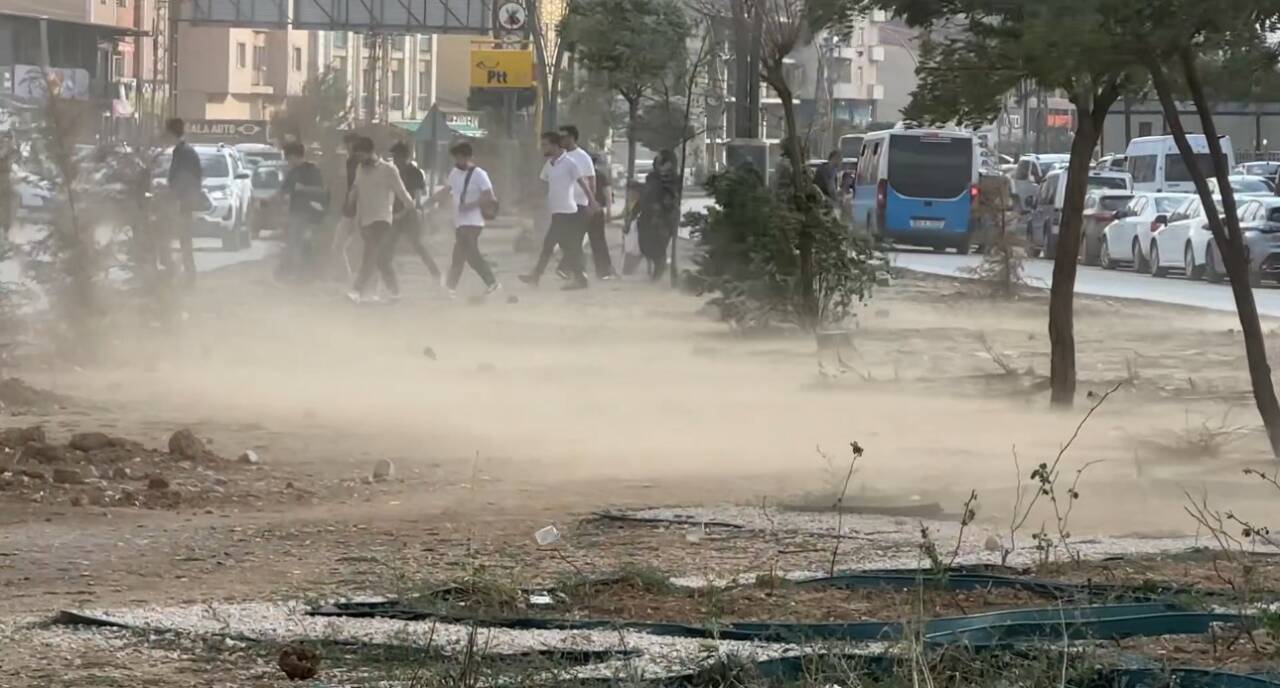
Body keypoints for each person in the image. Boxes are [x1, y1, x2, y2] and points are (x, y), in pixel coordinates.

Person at [520, 131, 596, 290]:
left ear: (555, 145)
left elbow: (583, 184)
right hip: (557, 212)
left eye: (545, 144)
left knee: (551, 246)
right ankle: (580, 278)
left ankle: (536, 277)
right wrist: (529, 200)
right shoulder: (549, 164)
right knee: (568, 247)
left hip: (568, 212)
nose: (543, 148)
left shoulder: (570, 163)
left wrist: (592, 202)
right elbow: (542, 184)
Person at [346, 136, 415, 303]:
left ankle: (356, 290)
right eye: (357, 156)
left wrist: (410, 207)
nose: (359, 159)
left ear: (371, 152)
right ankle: (395, 292)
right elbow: (355, 188)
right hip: (366, 219)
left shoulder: (388, 170)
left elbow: (401, 191)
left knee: (369, 254)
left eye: (362, 155)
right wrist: (350, 204)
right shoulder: (360, 169)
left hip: (382, 219)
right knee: (381, 259)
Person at [427, 141, 500, 297]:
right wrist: (431, 200)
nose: (459, 161)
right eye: (457, 158)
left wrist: (470, 205)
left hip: (474, 221)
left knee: (462, 254)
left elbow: (490, 197)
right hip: (460, 221)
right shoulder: (454, 172)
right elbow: (448, 189)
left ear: (469, 157)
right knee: (466, 255)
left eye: (462, 158)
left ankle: (452, 288)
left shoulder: (480, 174)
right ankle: (490, 283)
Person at [559, 125, 614, 279]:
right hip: (571, 205)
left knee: (593, 239)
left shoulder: (583, 158)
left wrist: (592, 204)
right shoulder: (561, 157)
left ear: (572, 137)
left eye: (563, 136)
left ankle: (602, 271)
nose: (560, 139)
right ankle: (573, 269)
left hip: (586, 206)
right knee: (572, 239)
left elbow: (594, 184)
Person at [274, 141, 328, 282]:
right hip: (295, 213)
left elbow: (322, 191)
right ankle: (291, 274)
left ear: (294, 156)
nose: (287, 162)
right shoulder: (292, 172)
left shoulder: (312, 170)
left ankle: (304, 275)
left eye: (288, 158)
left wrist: (303, 188)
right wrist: (268, 201)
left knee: (302, 243)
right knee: (293, 243)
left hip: (310, 214)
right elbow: (283, 190)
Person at [389, 141, 442, 284]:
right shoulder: (394, 171)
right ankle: (382, 276)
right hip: (395, 213)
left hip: (409, 215)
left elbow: (416, 199)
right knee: (388, 246)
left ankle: (436, 273)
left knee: (418, 245)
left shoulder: (415, 173)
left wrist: (403, 213)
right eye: (394, 157)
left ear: (404, 157)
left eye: (396, 157)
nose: (394, 160)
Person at [164, 117, 202, 286]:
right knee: (183, 241)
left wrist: (177, 198)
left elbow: (187, 180)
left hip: (183, 203)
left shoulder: (184, 152)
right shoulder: (182, 151)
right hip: (183, 202)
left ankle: (189, 278)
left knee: (184, 241)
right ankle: (186, 276)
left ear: (171, 133)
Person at [635, 149, 680, 281]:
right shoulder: (652, 178)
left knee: (659, 244)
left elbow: (673, 198)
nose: (660, 165)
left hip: (664, 218)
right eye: (658, 162)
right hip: (647, 216)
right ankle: (659, 265)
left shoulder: (673, 180)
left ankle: (660, 268)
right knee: (645, 245)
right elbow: (645, 196)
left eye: (663, 162)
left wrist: (661, 208)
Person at [332, 132, 361, 278]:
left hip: (362, 209)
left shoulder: (362, 163)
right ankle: (348, 276)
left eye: (353, 143)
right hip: (349, 208)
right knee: (338, 245)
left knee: (361, 246)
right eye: (348, 144)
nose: (350, 147)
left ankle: (361, 278)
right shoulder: (349, 162)